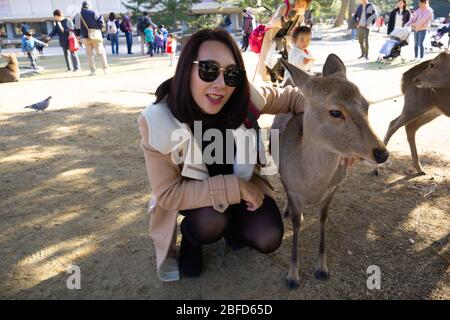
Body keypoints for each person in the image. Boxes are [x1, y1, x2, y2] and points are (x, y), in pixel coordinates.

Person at [137, 28, 310, 281]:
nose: (220, 84)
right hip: (197, 198)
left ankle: (234, 226)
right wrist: (236, 188)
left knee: (269, 236)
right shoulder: (158, 121)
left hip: (243, 187)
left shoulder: (243, 97)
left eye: (231, 74)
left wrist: (331, 123)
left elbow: (292, 98)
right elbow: (168, 193)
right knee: (212, 221)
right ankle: (192, 237)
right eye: (208, 70)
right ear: (186, 68)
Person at [257, 0, 312, 82]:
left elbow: (294, 34)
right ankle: (274, 83)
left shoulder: (300, 16)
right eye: (298, 2)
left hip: (284, 41)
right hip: (272, 39)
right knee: (270, 62)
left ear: (306, 6)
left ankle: (282, 83)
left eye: (303, 4)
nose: (300, 5)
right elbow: (273, 22)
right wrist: (287, 17)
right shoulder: (285, 7)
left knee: (284, 62)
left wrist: (285, 39)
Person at [75, 1, 109, 75]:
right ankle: (105, 70)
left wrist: (78, 36)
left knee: (89, 55)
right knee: (101, 53)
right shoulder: (94, 12)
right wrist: (97, 28)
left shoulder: (78, 14)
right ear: (89, 6)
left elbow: (77, 28)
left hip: (85, 37)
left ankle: (93, 71)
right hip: (95, 36)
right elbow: (101, 23)